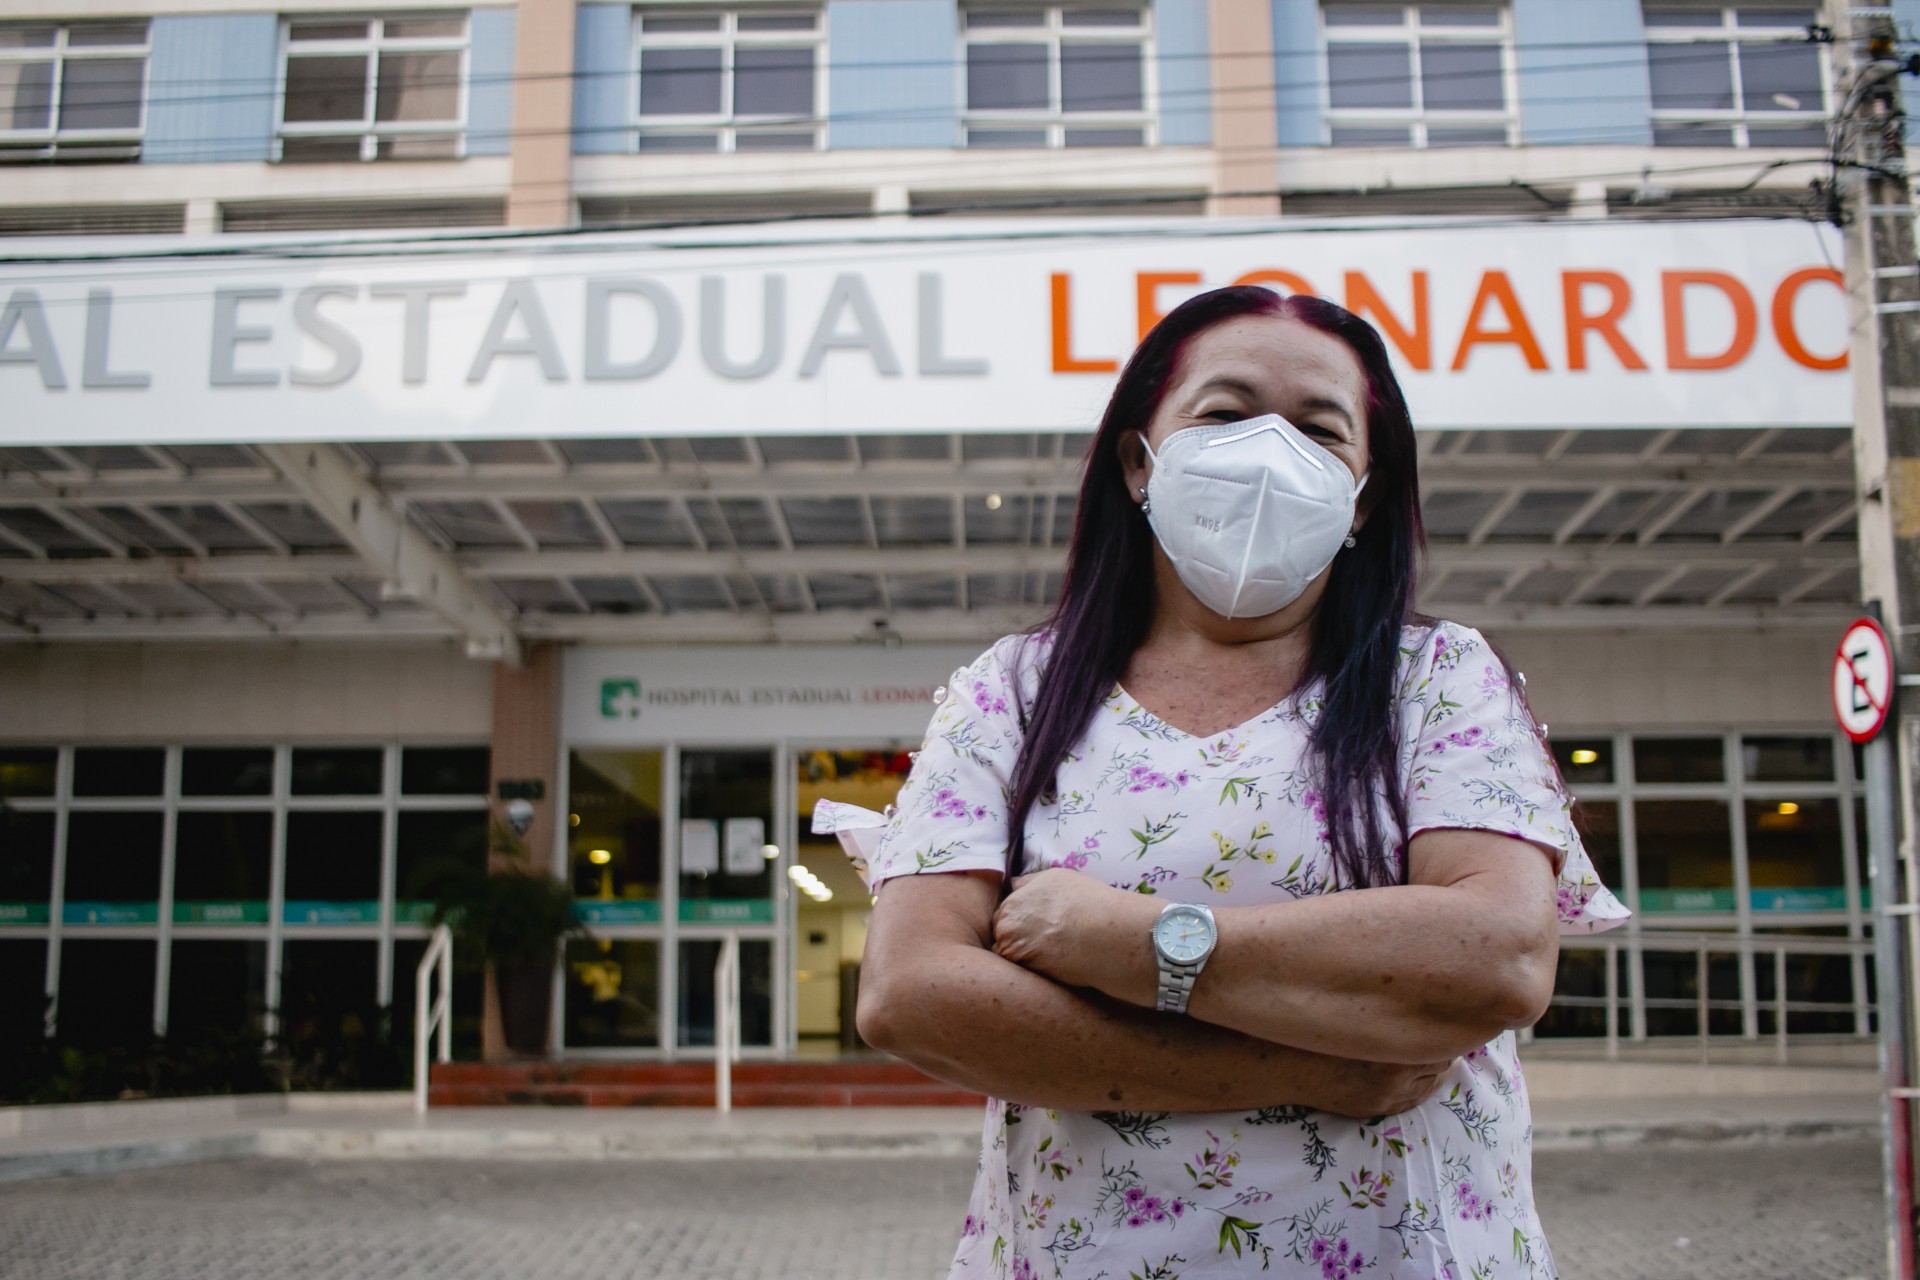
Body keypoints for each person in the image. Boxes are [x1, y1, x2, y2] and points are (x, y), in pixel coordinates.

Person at [855, 285, 1628, 1280]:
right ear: (1140, 462)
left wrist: (1129, 939)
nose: (1271, 452)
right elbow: (911, 992)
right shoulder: (1014, 691)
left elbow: (1502, 954)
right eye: (1225, 413)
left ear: (1364, 495)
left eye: (1319, 430)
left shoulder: (1441, 678)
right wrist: (1315, 1065)